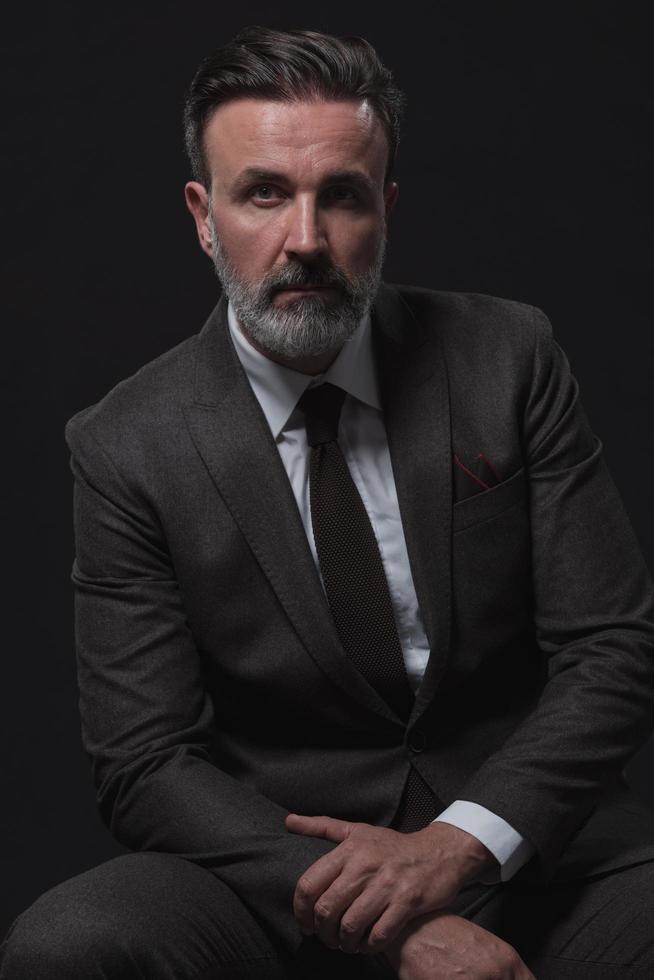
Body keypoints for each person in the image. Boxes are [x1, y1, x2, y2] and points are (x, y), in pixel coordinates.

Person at [2, 24, 654, 980]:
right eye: (263, 192)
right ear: (203, 213)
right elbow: (145, 759)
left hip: (525, 845)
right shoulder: (124, 444)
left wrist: (457, 847)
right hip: (275, 877)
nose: (305, 240)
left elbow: (614, 646)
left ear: (385, 208)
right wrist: (388, 919)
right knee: (67, 950)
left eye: (340, 196)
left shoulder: (508, 356)